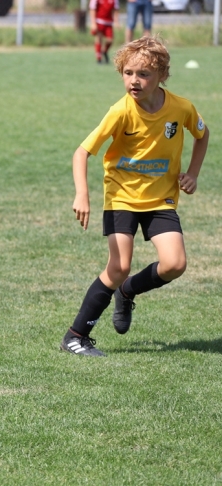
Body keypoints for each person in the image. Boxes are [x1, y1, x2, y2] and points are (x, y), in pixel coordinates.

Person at [61, 36, 209, 357]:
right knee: (118, 266)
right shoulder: (120, 111)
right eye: (128, 73)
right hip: (121, 198)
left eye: (143, 74)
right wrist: (82, 194)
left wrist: (193, 173)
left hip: (160, 199)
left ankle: (127, 292)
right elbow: (82, 152)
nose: (134, 81)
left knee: (175, 264)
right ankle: (75, 337)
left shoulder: (181, 108)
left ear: (162, 76)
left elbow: (202, 132)